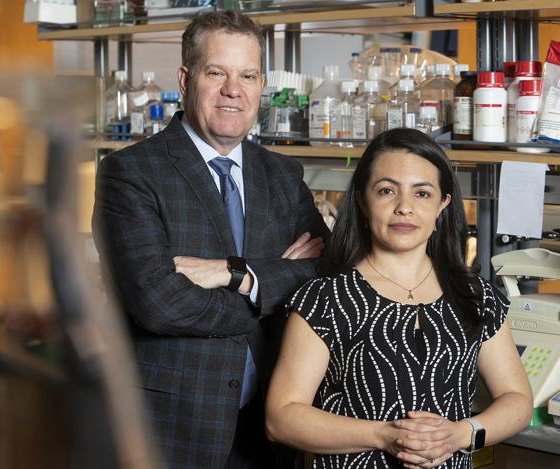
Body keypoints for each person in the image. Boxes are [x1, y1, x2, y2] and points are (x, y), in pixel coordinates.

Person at [92, 10, 330, 469]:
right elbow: (158, 302)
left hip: (269, 426)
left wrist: (238, 275)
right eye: (216, 73)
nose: (233, 90)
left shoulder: (282, 174)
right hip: (169, 427)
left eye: (248, 76)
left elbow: (326, 273)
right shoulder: (131, 173)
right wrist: (269, 295)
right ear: (186, 80)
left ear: (261, 86)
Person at [265, 128, 532, 469]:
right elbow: (281, 418)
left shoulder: (475, 296)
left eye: (422, 193)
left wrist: (460, 434)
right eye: (387, 191)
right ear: (362, 201)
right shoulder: (326, 299)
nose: (405, 207)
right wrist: (384, 435)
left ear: (443, 204)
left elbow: (517, 400)